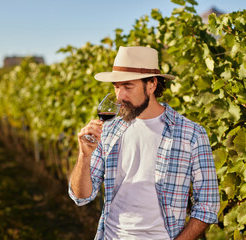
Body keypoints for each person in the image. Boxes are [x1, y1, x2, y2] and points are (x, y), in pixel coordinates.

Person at [69, 46, 220, 240]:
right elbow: (81, 197)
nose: (119, 96)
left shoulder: (191, 134)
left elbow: (208, 205)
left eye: (128, 87)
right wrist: (84, 155)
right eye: (116, 86)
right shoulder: (108, 131)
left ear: (151, 85)